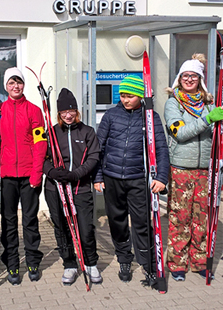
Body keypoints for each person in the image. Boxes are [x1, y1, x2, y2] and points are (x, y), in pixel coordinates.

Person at [93, 75, 169, 286]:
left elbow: (161, 149)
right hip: (112, 178)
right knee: (117, 222)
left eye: (130, 96)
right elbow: (98, 148)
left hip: (139, 179)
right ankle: (124, 259)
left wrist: (162, 177)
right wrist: (98, 176)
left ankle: (148, 264)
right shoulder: (110, 116)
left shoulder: (151, 117)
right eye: (123, 95)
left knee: (142, 223)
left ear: (140, 96)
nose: (126, 100)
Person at [164, 53, 223, 281]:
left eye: (194, 76)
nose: (189, 79)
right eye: (185, 75)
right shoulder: (173, 104)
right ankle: (177, 264)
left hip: (205, 169)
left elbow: (213, 135)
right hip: (181, 168)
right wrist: (208, 120)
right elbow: (181, 133)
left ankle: (199, 261)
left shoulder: (208, 104)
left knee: (201, 218)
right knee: (180, 218)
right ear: (179, 78)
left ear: (200, 79)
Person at [0, 67, 47, 285]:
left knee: (30, 221)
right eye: (11, 83)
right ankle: (11, 263)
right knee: (8, 222)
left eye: (18, 82)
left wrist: (37, 174)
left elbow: (40, 144)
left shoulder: (34, 111)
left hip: (30, 174)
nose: (15, 86)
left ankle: (32, 261)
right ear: (6, 87)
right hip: (7, 176)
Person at [43, 88, 102, 286]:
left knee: (85, 228)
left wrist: (75, 174)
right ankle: (69, 264)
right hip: (55, 188)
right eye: (64, 112)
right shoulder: (51, 132)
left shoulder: (87, 132)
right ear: (59, 114)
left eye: (72, 111)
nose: (68, 115)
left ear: (77, 112)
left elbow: (94, 157)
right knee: (61, 228)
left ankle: (90, 263)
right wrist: (51, 172)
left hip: (80, 187)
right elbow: (41, 157)